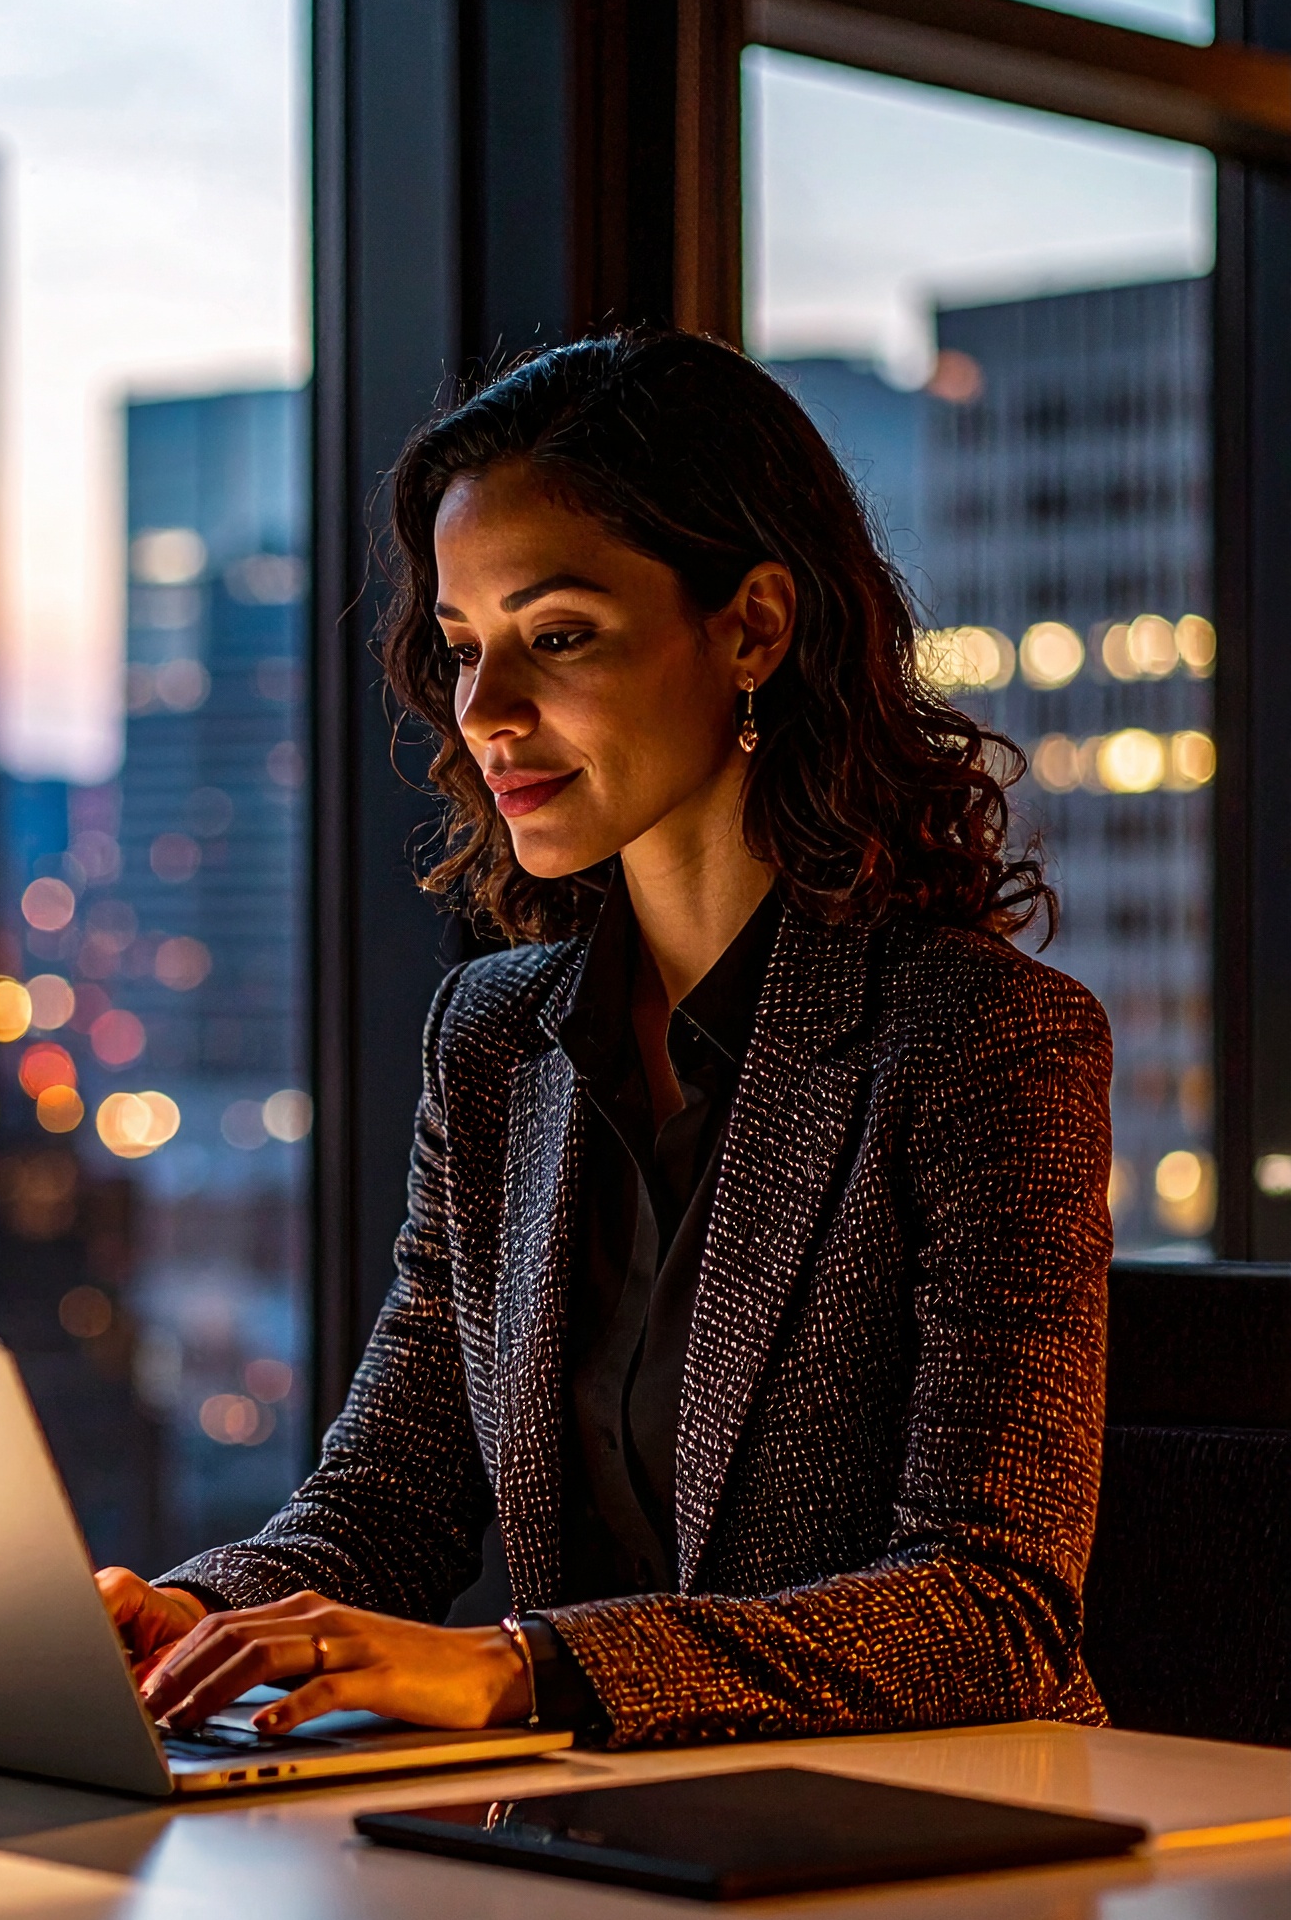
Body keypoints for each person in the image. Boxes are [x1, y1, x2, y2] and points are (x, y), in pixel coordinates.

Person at [97, 328, 1112, 1750]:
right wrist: (191, 1621)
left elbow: (990, 1609)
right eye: (464, 650)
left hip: (931, 1859)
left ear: (753, 626)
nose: (488, 713)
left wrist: (518, 1669)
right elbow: (390, 1497)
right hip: (606, 1846)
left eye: (556, 636)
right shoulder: (499, 1036)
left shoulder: (980, 1044)